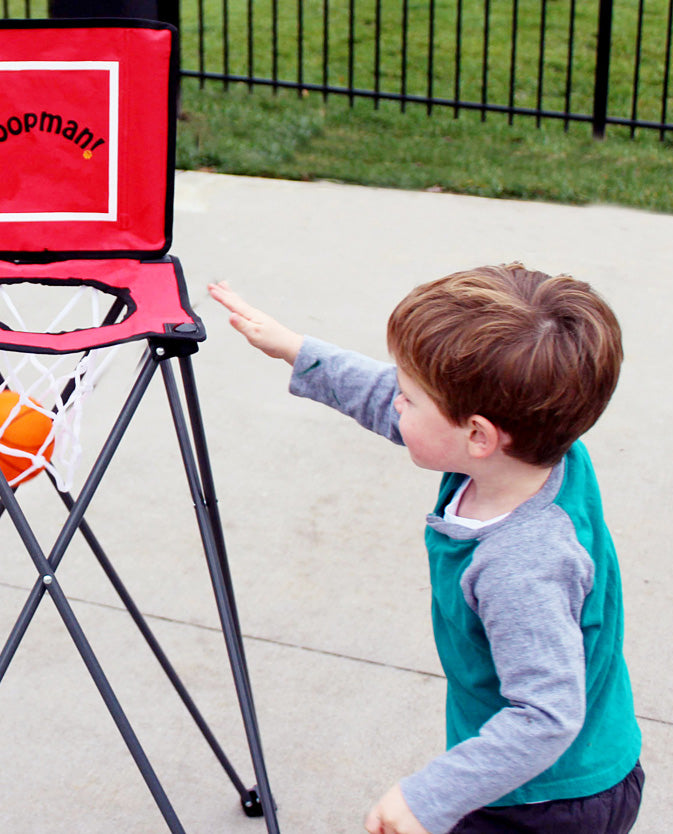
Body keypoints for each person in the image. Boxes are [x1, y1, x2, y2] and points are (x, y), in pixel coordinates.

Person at [207, 264, 643, 834]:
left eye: (409, 399)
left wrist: (428, 797)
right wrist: (295, 349)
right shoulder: (536, 452)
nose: (394, 403)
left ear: (479, 436)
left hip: (544, 801)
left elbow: (545, 715)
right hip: (558, 765)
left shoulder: (521, 564)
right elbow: (388, 397)